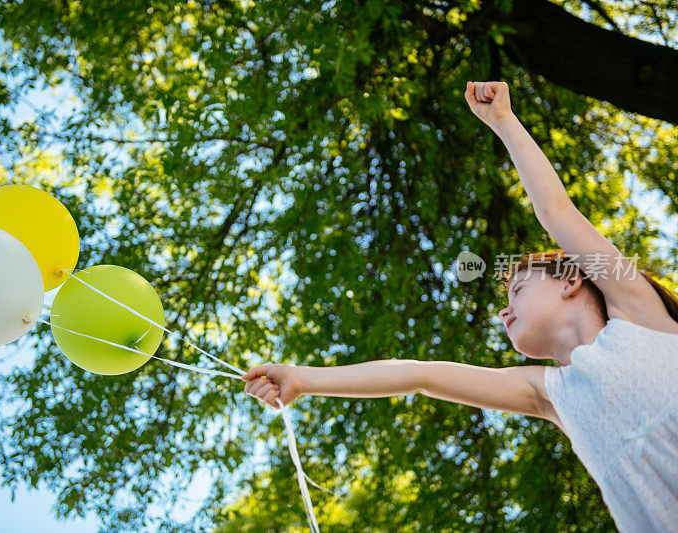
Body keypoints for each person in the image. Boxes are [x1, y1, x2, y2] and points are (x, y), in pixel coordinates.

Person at [241, 81, 678, 532]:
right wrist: (302, 379)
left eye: (517, 290)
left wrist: (503, 122)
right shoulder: (551, 396)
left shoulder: (639, 315)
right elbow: (420, 375)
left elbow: (557, 213)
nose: (503, 313)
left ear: (571, 280)